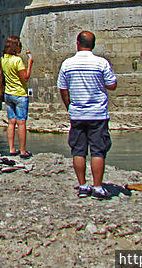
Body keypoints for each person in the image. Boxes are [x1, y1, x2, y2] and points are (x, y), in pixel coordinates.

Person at [57, 31, 117, 200]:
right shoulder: (101, 63)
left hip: (77, 113)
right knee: (98, 151)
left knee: (78, 150)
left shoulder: (67, 64)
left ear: (78, 43)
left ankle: (83, 186)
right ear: (94, 45)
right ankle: (98, 187)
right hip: (98, 114)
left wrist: (70, 107)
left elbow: (63, 88)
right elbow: (112, 85)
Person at [1, 35, 33, 158]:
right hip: (19, 94)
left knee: (11, 122)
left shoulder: (4, 59)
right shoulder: (17, 60)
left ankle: (11, 148)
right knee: (21, 123)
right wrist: (30, 64)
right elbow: (25, 78)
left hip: (8, 93)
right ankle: (23, 151)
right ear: (16, 47)